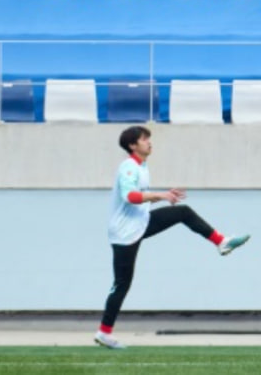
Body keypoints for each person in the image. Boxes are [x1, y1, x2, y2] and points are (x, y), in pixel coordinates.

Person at [95, 125, 249, 351]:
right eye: (144, 139)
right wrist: (160, 195)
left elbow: (142, 199)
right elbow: (130, 196)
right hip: (125, 232)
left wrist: (163, 196)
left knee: (182, 212)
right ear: (132, 145)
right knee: (121, 285)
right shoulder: (129, 167)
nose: (150, 142)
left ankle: (221, 242)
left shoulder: (143, 166)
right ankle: (104, 333)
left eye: (149, 138)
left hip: (140, 223)